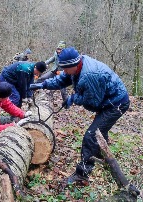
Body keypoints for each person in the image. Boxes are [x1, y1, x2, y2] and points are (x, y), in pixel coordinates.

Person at [30, 47, 130, 185]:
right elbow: (62, 80)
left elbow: (93, 102)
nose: (64, 71)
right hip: (107, 101)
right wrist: (43, 85)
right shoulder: (76, 66)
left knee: (91, 135)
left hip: (115, 104)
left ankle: (82, 174)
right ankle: (102, 156)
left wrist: (73, 98)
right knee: (99, 131)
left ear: (74, 65)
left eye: (65, 68)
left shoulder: (90, 75)